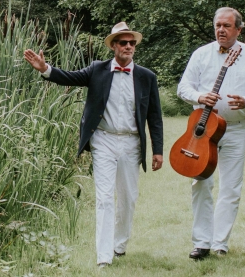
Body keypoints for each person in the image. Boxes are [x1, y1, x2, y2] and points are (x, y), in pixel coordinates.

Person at [23, 22, 163, 268]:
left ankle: (119, 245)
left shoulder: (146, 76)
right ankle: (104, 256)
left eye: (132, 43)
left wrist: (158, 151)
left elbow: (155, 116)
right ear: (113, 46)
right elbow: (69, 77)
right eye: (123, 42)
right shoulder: (97, 70)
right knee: (105, 197)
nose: (129, 46)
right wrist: (45, 69)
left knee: (128, 198)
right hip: (103, 140)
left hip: (132, 142)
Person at [177, 7, 245, 260]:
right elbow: (183, 87)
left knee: (231, 188)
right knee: (201, 184)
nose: (221, 30)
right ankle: (201, 242)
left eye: (227, 26)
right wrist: (198, 95)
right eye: (218, 25)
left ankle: (220, 243)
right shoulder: (201, 54)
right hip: (203, 130)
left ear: (238, 30)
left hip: (235, 130)